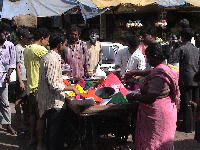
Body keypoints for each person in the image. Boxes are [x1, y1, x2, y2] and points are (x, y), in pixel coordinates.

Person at [126, 42, 180, 150]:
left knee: (155, 142)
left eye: (148, 57)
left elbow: (150, 98)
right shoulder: (163, 67)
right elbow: (153, 71)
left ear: (154, 56)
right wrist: (136, 72)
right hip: (166, 109)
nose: (147, 59)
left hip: (158, 114)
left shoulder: (159, 76)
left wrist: (133, 96)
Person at [37, 33, 80, 150]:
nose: (66, 47)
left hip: (49, 99)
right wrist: (71, 88)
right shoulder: (52, 59)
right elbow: (53, 84)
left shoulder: (50, 57)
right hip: (52, 102)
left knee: (53, 133)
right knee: (55, 135)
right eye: (65, 44)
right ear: (60, 44)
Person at [24, 28, 49, 145]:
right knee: (41, 117)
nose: (48, 42)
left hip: (30, 86)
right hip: (39, 87)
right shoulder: (40, 49)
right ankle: (39, 144)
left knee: (33, 114)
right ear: (42, 39)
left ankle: (31, 138)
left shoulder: (27, 49)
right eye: (47, 40)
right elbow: (51, 58)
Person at [173, 28, 200, 133]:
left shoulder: (181, 49)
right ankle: (194, 125)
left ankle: (189, 127)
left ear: (182, 37)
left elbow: (173, 60)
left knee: (187, 103)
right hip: (197, 79)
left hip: (186, 79)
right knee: (195, 103)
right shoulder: (196, 49)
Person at [15, 27, 33, 130]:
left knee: (26, 101)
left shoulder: (27, 47)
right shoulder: (17, 48)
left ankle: (26, 121)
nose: (29, 39)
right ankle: (19, 122)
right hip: (22, 78)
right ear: (22, 38)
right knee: (19, 100)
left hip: (28, 77)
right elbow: (17, 65)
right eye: (27, 38)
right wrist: (20, 81)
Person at [0, 27, 17, 135]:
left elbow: (12, 62)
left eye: (4, 34)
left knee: (5, 103)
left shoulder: (10, 45)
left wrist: (8, 74)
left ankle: (7, 124)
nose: (3, 36)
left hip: (3, 78)